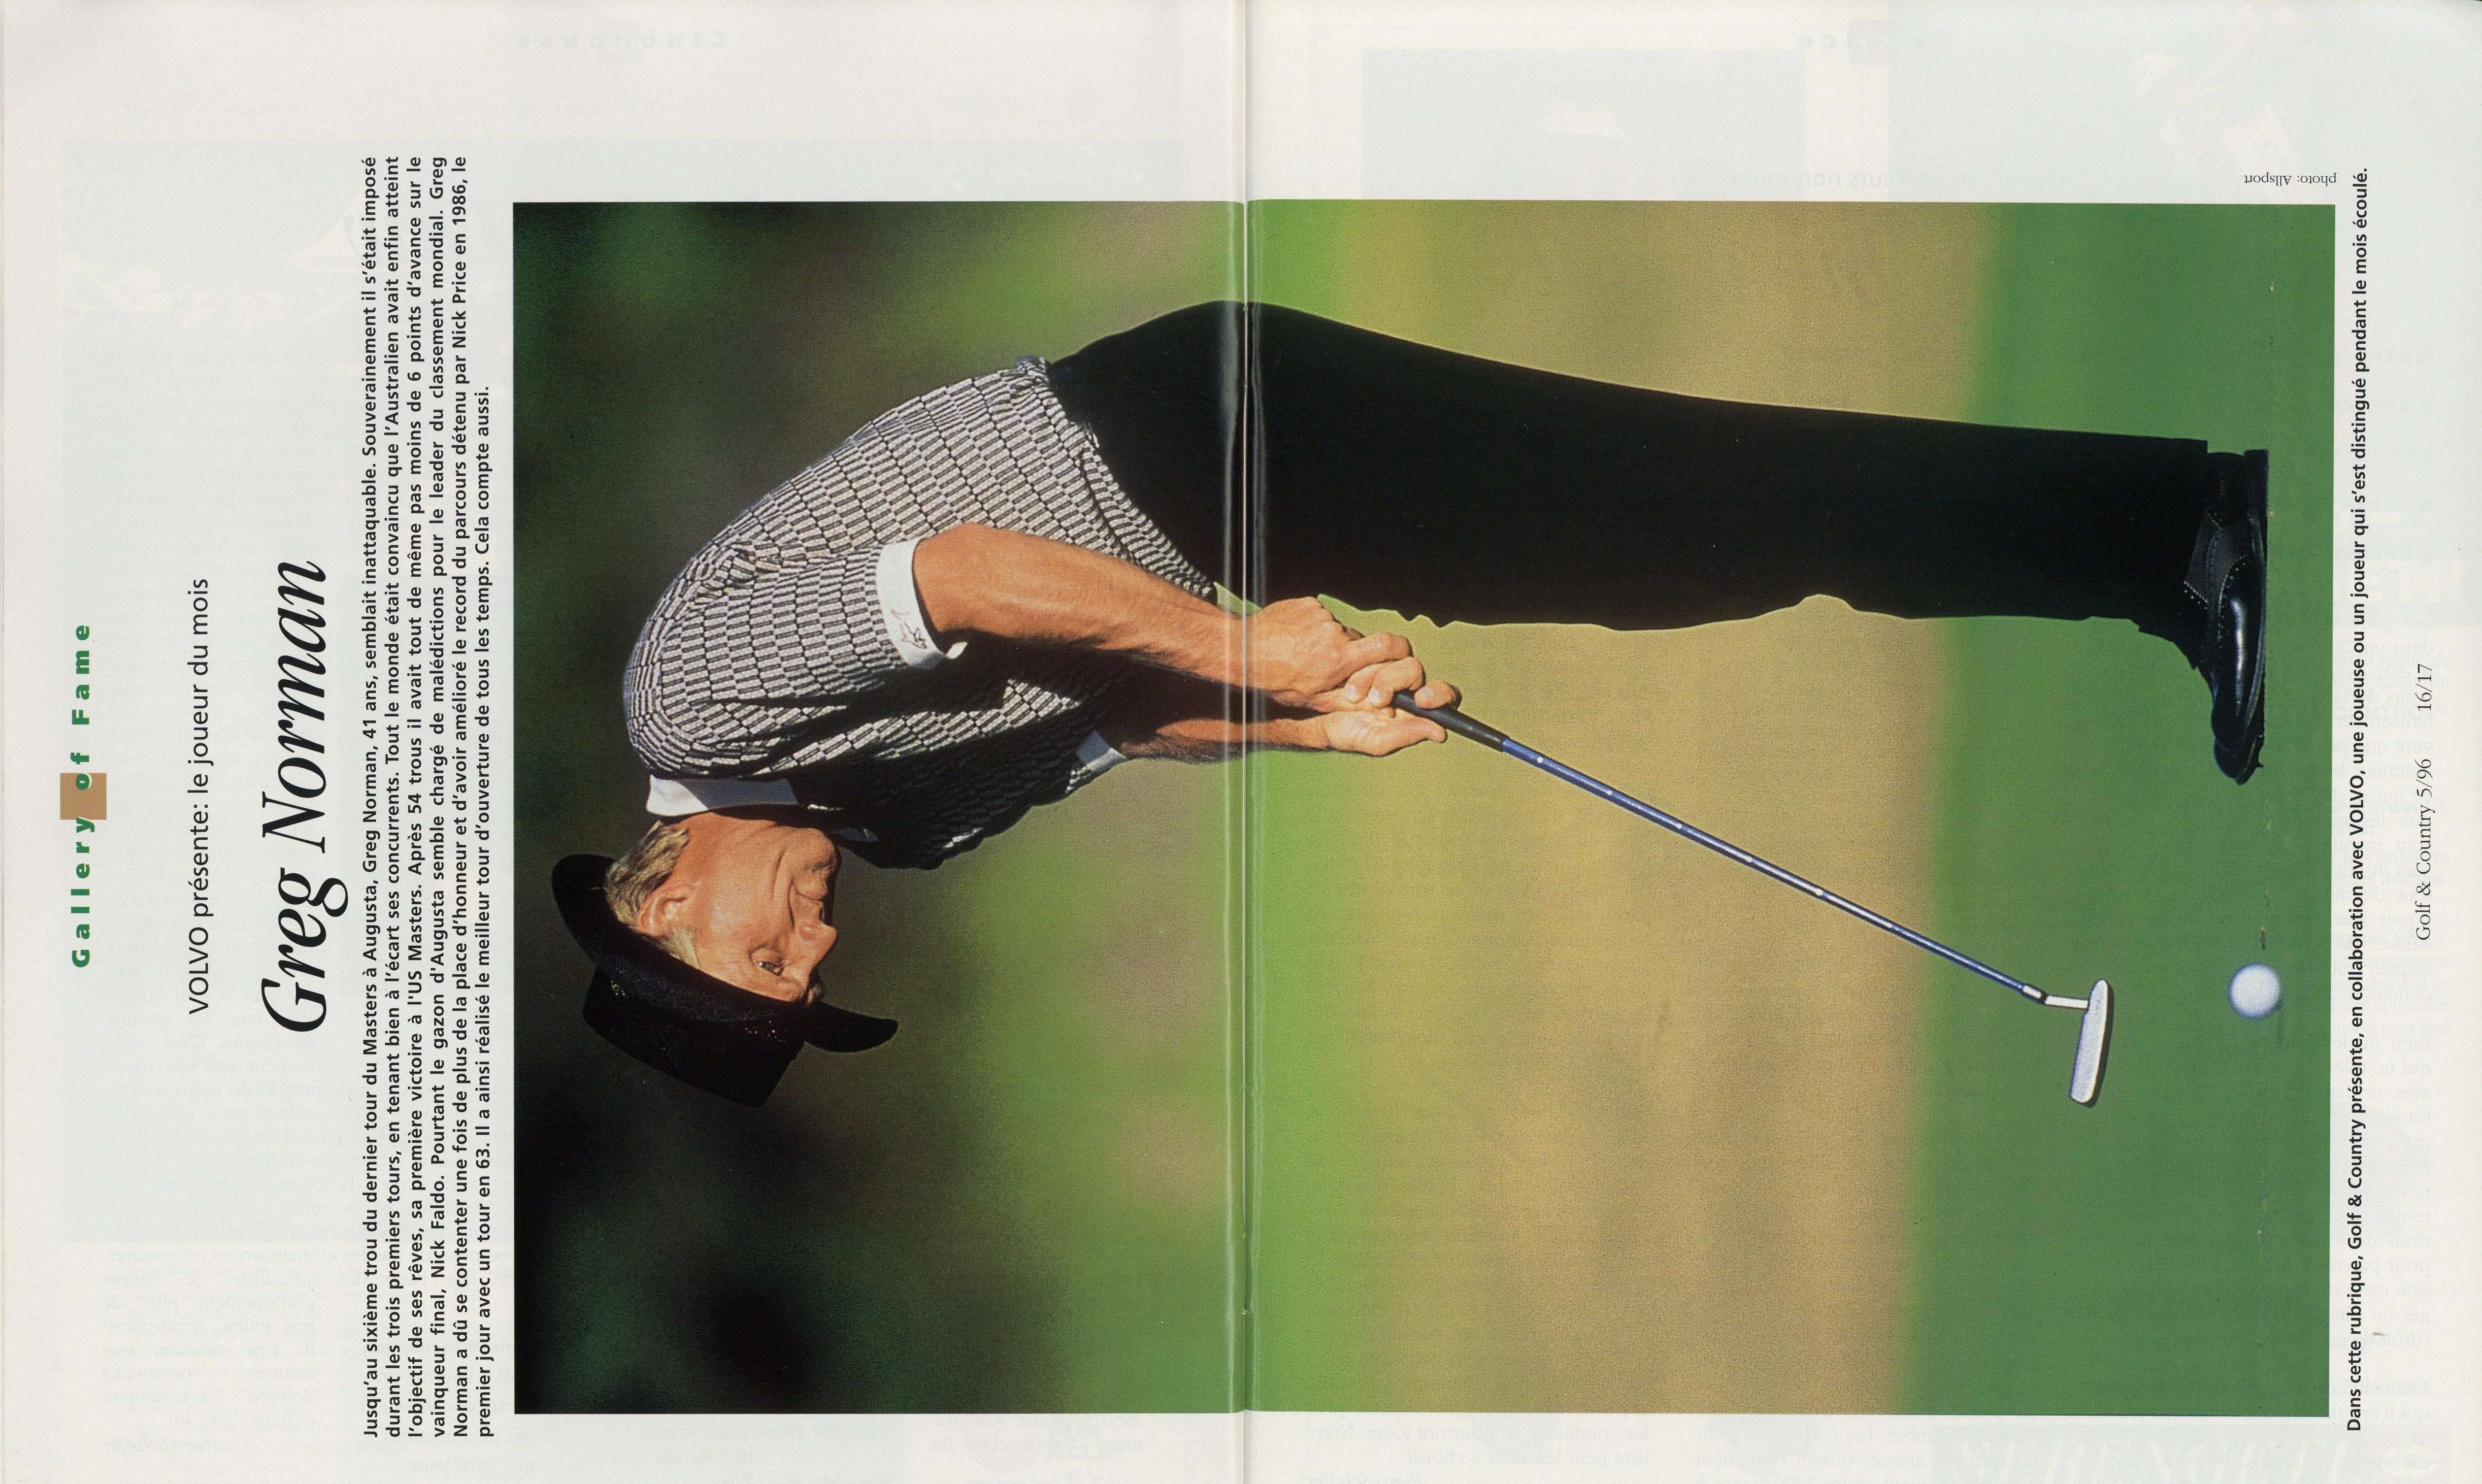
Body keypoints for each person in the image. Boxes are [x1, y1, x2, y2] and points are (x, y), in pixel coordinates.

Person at [554, 302, 2269, 1103]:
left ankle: (2177, 528)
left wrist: (1249, 651)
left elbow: (964, 575)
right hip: (1233, 513)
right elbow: (1111, 718)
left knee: (1708, 507)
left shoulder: (690, 705)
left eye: (769, 964)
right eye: (810, 985)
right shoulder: (882, 826)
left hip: (1190, 434)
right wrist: (1312, 725)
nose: (817, 952)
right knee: (1690, 552)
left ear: (664, 906)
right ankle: (2158, 551)